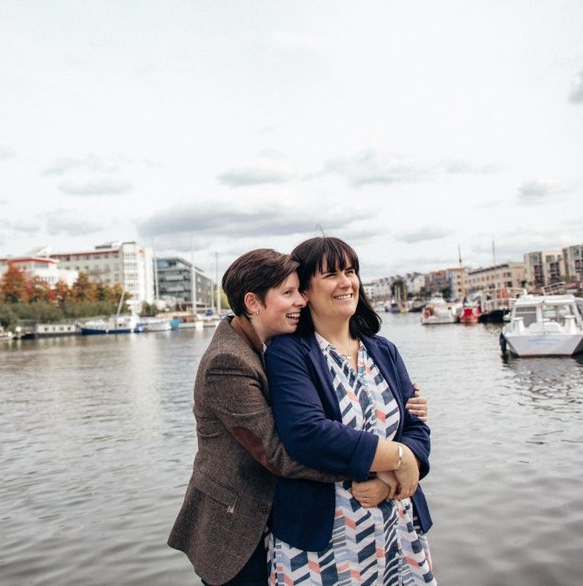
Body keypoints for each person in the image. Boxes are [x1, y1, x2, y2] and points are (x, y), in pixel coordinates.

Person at [169, 249, 428, 586]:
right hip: (239, 523)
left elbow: (401, 419)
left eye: (300, 291)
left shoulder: (271, 344)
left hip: (293, 517)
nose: (301, 302)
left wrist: (402, 445)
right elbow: (280, 454)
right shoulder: (228, 362)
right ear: (253, 303)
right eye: (288, 293)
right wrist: (388, 464)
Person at [265, 236, 435, 585]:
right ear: (305, 292)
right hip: (324, 544)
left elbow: (416, 428)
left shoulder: (383, 351)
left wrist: (393, 477)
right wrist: (399, 459)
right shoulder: (288, 353)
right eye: (331, 275)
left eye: (351, 271)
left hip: (396, 531)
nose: (346, 282)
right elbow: (308, 434)